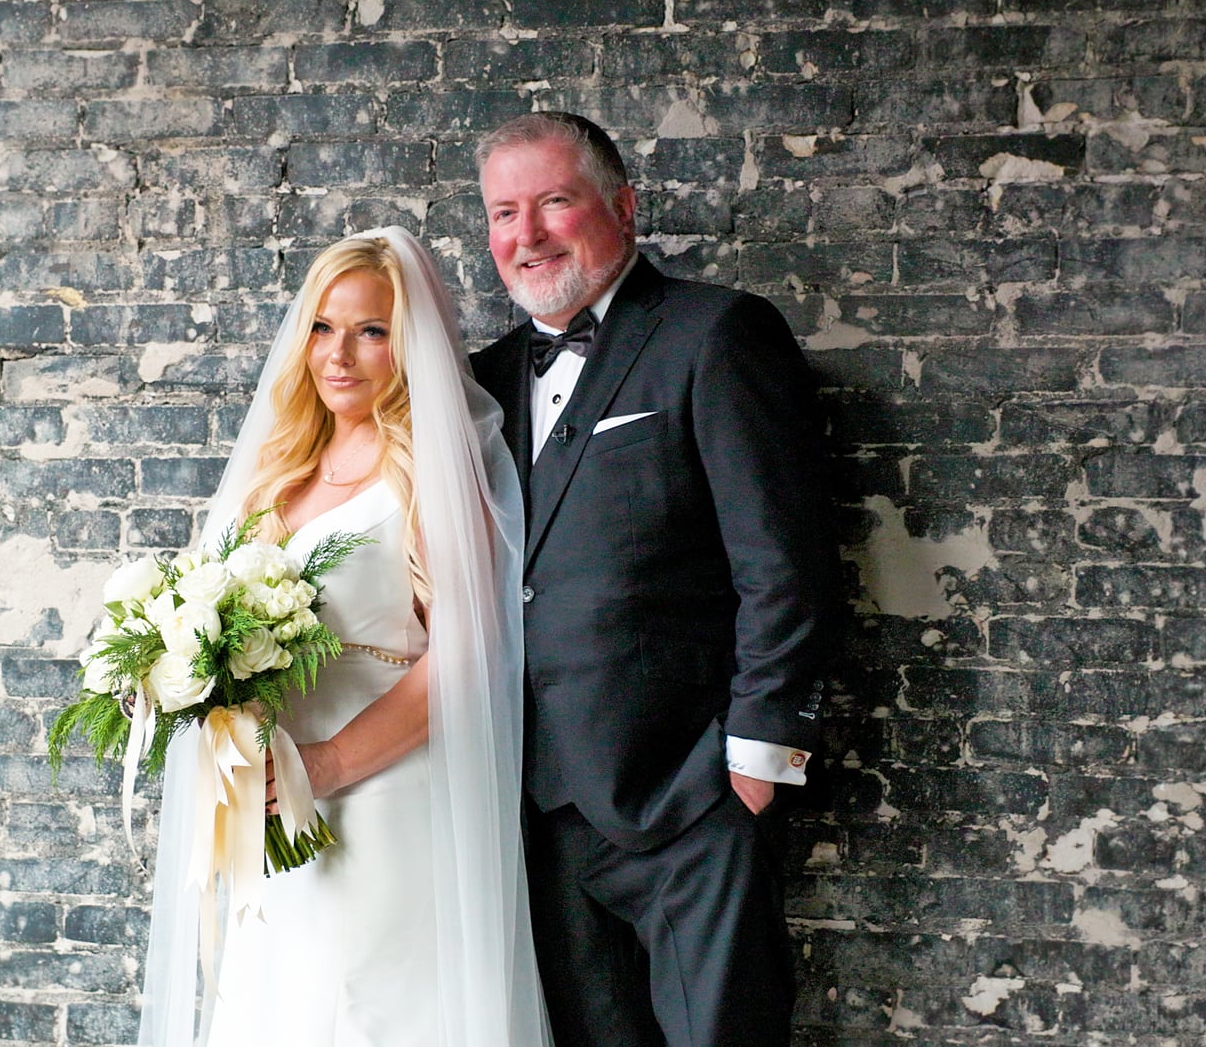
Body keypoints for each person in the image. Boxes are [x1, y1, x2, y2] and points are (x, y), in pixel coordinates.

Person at [468, 112, 838, 1047]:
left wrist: (754, 766)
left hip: (690, 796)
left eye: (555, 202)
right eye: (505, 213)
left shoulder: (716, 333)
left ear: (624, 207)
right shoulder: (477, 383)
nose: (528, 234)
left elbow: (783, 562)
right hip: (535, 809)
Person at [136, 227, 552, 1047]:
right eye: (323, 327)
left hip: (382, 795)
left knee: (367, 1010)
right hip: (275, 803)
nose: (339, 354)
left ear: (410, 345)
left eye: (371, 331)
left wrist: (325, 764)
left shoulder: (428, 472)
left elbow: (467, 658)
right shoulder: (277, 471)